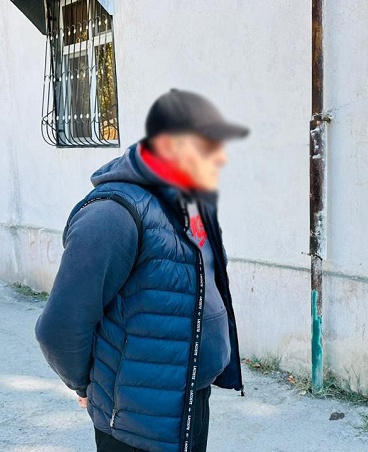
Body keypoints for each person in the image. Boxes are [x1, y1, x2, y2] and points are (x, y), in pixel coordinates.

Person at [35, 89, 248, 452]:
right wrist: (85, 386)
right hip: (135, 418)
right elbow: (60, 327)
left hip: (189, 397)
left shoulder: (190, 204)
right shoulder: (112, 214)